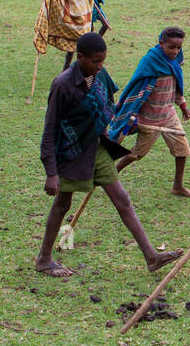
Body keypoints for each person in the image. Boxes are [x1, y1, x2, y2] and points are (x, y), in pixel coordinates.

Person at [36, 32, 181, 278]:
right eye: (95, 61)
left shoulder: (100, 75)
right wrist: (51, 173)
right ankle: (44, 259)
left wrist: (126, 122)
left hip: (97, 146)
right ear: (80, 57)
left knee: (122, 198)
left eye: (103, 60)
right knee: (63, 203)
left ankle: (151, 257)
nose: (100, 66)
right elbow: (49, 131)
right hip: (71, 152)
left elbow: (110, 104)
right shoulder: (62, 85)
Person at [109, 27, 190, 197]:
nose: (175, 51)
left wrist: (182, 105)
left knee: (182, 150)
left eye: (179, 47)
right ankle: (111, 177)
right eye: (172, 47)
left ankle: (178, 186)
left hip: (169, 115)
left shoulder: (174, 63)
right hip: (149, 120)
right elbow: (136, 90)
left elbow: (176, 87)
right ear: (161, 43)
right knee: (136, 155)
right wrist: (132, 114)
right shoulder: (150, 63)